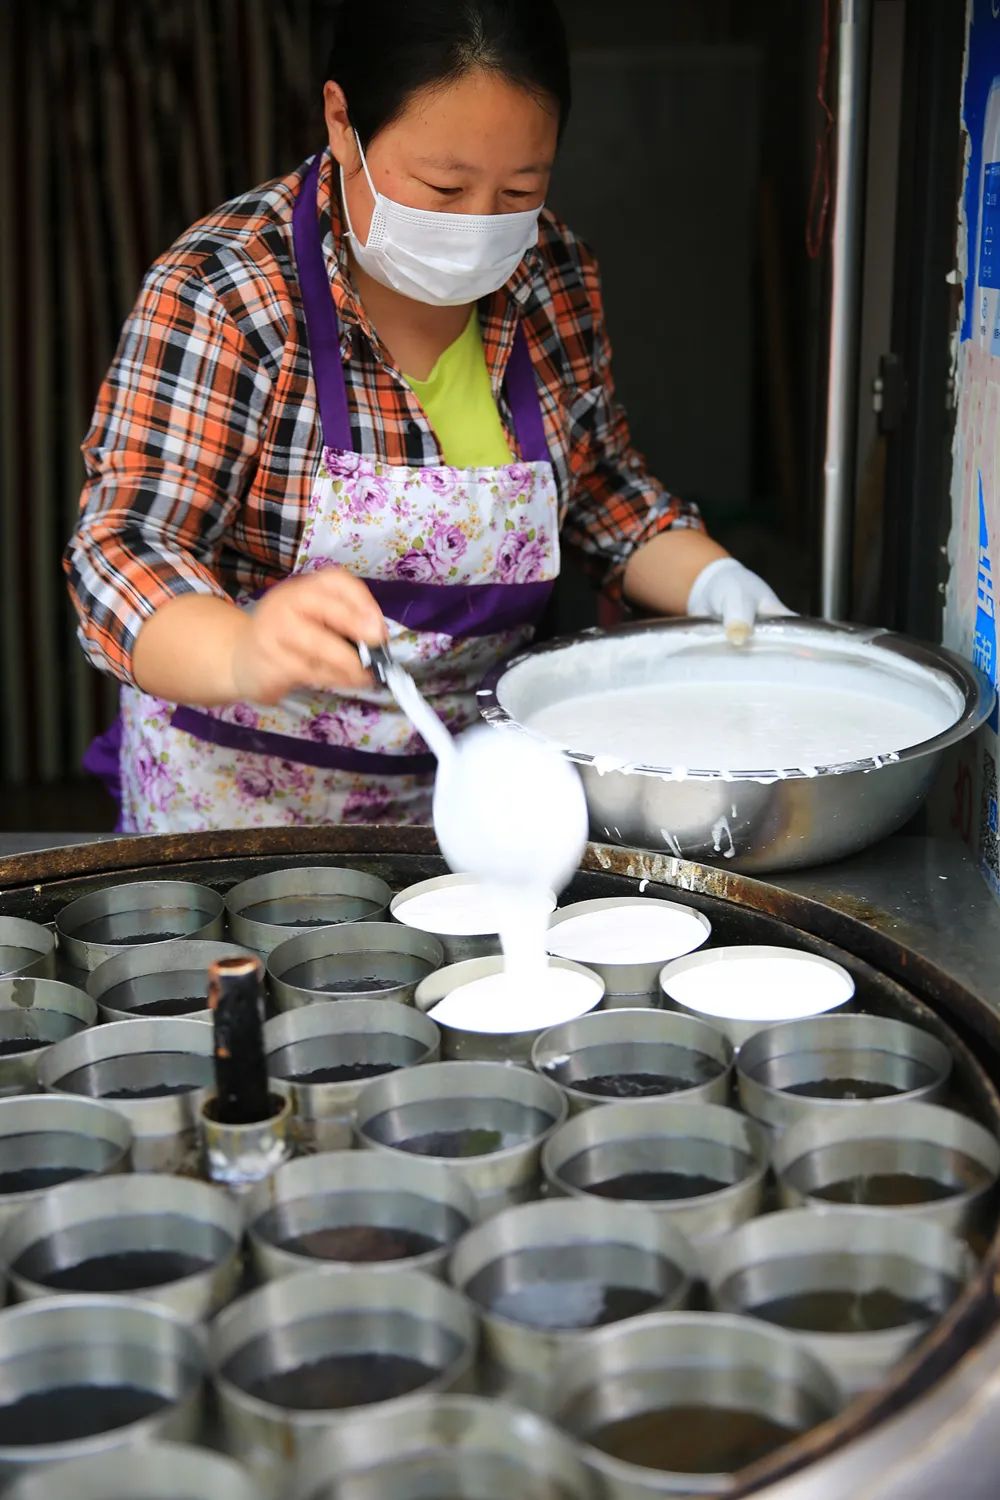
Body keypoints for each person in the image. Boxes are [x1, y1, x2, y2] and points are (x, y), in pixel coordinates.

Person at [66, 0, 789, 834]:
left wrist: (715, 584)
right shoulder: (227, 295)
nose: (480, 226)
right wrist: (239, 648)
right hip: (237, 815)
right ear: (342, 123)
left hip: (467, 809)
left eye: (520, 189)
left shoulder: (550, 276)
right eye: (443, 188)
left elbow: (600, 496)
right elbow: (124, 549)